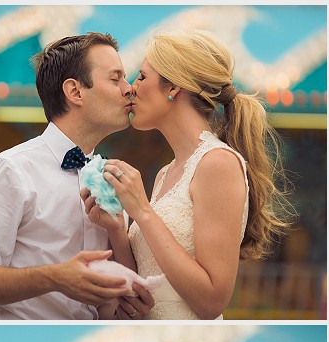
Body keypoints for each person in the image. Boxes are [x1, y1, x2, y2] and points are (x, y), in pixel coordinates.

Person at [84, 30, 292, 320]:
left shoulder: (218, 163)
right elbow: (144, 285)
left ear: (173, 87)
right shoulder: (164, 174)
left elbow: (211, 301)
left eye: (142, 77)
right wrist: (116, 229)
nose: (132, 88)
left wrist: (143, 212)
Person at [0, 33, 148, 320]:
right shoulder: (9, 170)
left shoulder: (113, 178)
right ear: (75, 92)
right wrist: (55, 278)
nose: (129, 89)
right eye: (116, 79)